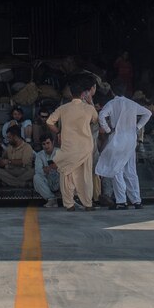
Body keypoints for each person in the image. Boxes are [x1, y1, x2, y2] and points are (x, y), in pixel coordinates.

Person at [47, 82, 100, 211]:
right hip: (85, 147)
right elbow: (96, 120)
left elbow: (49, 122)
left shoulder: (63, 108)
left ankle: (69, 204)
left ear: (71, 94)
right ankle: (88, 204)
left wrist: (58, 132)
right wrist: (90, 102)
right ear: (83, 94)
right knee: (86, 175)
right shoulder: (89, 108)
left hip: (68, 146)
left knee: (66, 173)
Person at [96, 89, 153, 209]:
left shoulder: (111, 103)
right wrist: (137, 127)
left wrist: (107, 129)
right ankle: (136, 200)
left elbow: (101, 116)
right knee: (131, 170)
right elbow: (148, 113)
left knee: (117, 169)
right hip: (130, 140)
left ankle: (121, 201)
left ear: (112, 91)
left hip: (117, 139)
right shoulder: (132, 104)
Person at [32, 136, 61, 206]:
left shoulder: (60, 152)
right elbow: (38, 171)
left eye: (48, 143)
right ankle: (51, 199)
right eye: (44, 144)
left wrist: (57, 167)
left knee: (67, 174)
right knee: (36, 178)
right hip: (47, 180)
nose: (46, 146)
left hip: (59, 180)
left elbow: (66, 167)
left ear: (53, 143)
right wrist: (46, 169)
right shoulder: (39, 155)